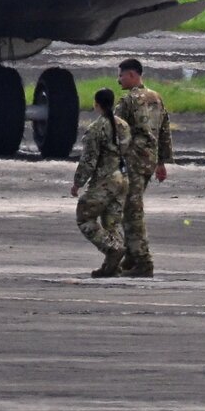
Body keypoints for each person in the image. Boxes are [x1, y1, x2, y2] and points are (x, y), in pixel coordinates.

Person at [114, 57, 172, 278]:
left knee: (132, 212)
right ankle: (130, 257)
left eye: (121, 75)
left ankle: (143, 261)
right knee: (131, 207)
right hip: (149, 161)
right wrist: (162, 162)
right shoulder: (156, 98)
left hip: (133, 162)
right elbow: (164, 130)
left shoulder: (128, 101)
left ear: (132, 75)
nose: (119, 80)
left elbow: (116, 131)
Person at [72, 87, 130, 278]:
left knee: (84, 216)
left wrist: (77, 183)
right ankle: (112, 267)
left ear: (97, 105)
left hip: (105, 181)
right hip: (122, 179)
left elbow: (89, 161)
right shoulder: (123, 126)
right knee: (111, 223)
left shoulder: (96, 129)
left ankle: (112, 249)